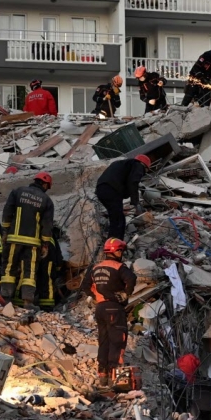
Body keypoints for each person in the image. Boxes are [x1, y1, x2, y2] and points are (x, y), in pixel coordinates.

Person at [81, 238, 136, 387]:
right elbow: (131, 278)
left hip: (100, 309)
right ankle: (114, 377)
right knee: (117, 340)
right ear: (116, 251)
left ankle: (102, 375)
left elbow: (85, 286)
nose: (121, 253)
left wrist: (96, 296)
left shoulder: (95, 267)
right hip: (114, 308)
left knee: (104, 341)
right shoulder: (119, 267)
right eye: (121, 251)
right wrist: (125, 294)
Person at [1, 172, 56, 307]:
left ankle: (6, 299)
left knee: (9, 268)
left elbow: (7, 212)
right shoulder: (46, 200)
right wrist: (45, 244)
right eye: (47, 187)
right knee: (29, 272)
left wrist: (5, 231)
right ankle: (27, 301)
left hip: (14, 239)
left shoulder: (17, 192)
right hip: (33, 244)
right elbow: (47, 225)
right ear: (44, 184)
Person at [95, 154, 151, 239]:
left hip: (102, 190)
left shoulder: (124, 164)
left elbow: (125, 182)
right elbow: (133, 182)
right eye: (145, 171)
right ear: (145, 166)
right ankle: (114, 244)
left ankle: (114, 242)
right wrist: (136, 203)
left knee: (117, 217)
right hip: (111, 191)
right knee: (118, 220)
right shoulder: (138, 165)